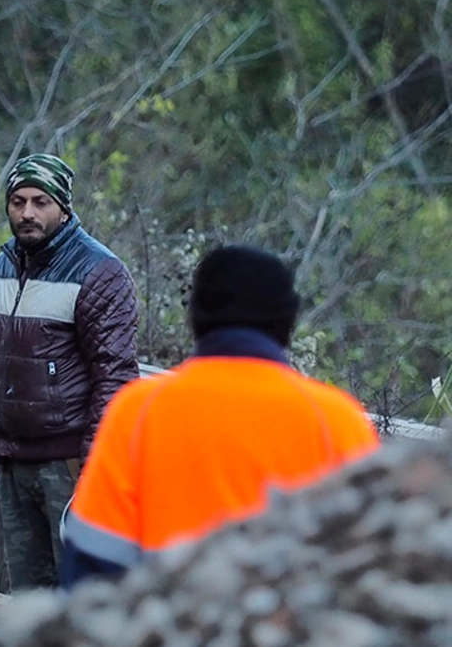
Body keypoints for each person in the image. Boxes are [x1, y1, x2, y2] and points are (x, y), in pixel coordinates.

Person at [61, 245, 380, 586]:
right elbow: (373, 573)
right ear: (288, 322)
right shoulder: (338, 420)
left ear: (195, 317)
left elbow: (92, 566)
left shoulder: (137, 412)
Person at [0, 152, 139, 589]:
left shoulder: (100, 273)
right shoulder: (3, 266)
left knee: (85, 596)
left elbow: (114, 380)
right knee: (31, 602)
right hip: (13, 461)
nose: (27, 213)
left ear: (63, 207)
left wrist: (98, 466)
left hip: (68, 464)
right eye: (18, 201)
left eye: (40, 201)